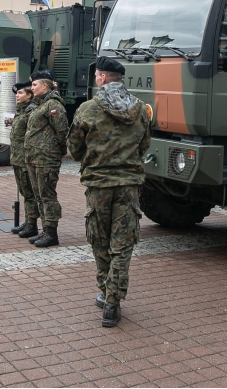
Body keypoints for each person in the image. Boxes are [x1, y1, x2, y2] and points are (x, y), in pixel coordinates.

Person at [67, 57, 150, 328]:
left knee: (99, 241)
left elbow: (75, 150)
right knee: (123, 245)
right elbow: (144, 145)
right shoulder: (139, 108)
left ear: (102, 78)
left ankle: (105, 291)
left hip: (98, 186)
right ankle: (113, 303)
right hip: (129, 187)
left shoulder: (87, 109)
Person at [24, 70, 69, 248]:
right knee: (39, 195)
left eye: (34, 85)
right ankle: (44, 230)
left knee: (47, 195)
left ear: (45, 85)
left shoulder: (53, 104)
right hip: (34, 157)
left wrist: (60, 150)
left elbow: (62, 131)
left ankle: (51, 232)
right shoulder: (39, 104)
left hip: (46, 158)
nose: (32, 88)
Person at [8, 80, 39, 239]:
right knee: (25, 192)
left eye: (20, 93)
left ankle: (32, 224)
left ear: (30, 95)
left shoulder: (31, 112)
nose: (17, 96)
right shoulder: (21, 111)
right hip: (18, 158)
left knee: (30, 193)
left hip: (26, 158)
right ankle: (28, 222)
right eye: (17, 93)